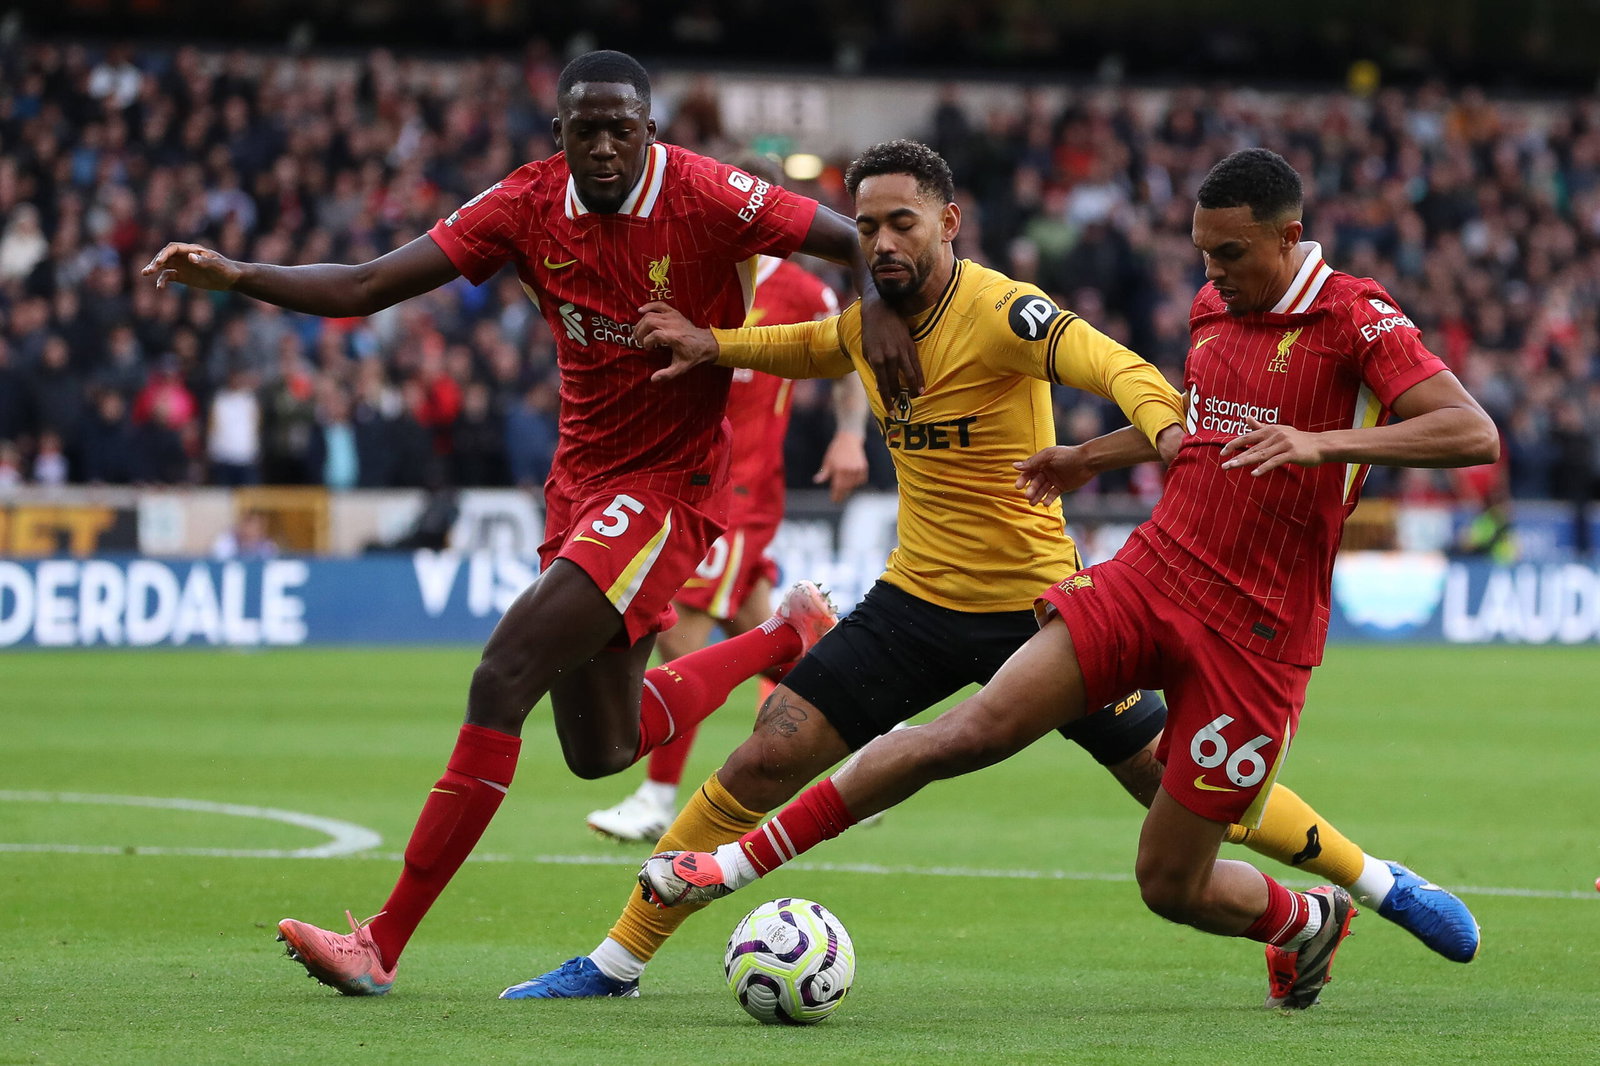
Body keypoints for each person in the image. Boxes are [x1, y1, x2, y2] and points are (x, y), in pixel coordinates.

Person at [508, 141, 1481, 1003]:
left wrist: (1166, 431)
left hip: (1034, 605)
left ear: (948, 224)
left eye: (902, 223)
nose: (882, 242)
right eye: (869, 226)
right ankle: (617, 958)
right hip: (916, 605)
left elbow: (1119, 369)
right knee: (766, 753)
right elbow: (810, 345)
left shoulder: (1008, 311)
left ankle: (1354, 890)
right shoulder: (873, 326)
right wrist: (710, 342)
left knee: (1178, 806)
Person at [143, 49, 917, 997]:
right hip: (580, 484)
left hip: (670, 485)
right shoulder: (524, 203)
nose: (601, 147)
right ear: (558, 136)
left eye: (619, 130)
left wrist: (881, 304)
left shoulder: (711, 194)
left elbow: (856, 237)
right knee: (603, 749)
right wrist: (240, 276)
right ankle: (783, 636)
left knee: (501, 674)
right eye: (583, 130)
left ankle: (380, 943)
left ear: (649, 133)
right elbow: (365, 286)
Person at [586, 188, 871, 843]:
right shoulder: (684, 274)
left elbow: (849, 352)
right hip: (684, 478)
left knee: (681, 633)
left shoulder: (802, 290)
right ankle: (866, 749)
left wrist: (851, 432)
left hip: (741, 493)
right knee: (779, 642)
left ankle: (658, 796)